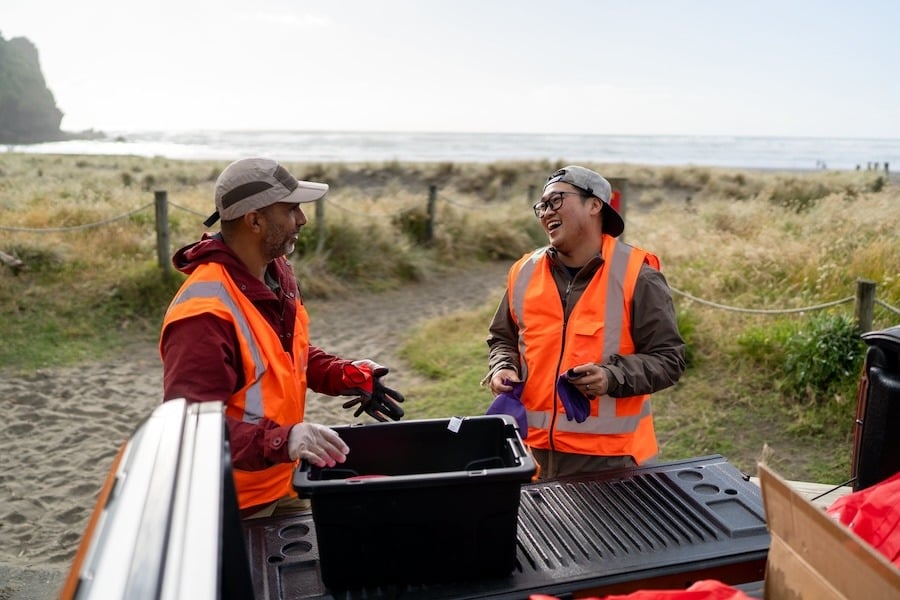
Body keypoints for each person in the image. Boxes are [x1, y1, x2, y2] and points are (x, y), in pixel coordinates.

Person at [160, 157, 405, 518]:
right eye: (291, 209)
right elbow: (191, 429)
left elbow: (287, 356)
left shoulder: (275, 274)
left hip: (284, 482)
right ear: (254, 220)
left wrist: (345, 373)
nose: (302, 219)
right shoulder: (203, 315)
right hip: (230, 507)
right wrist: (286, 439)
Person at [483, 165, 685, 480]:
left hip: (611, 464)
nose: (546, 212)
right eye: (542, 205)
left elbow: (669, 359)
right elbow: (502, 338)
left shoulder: (638, 276)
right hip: (529, 455)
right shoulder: (523, 271)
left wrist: (611, 376)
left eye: (556, 200)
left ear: (595, 205)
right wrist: (502, 366)